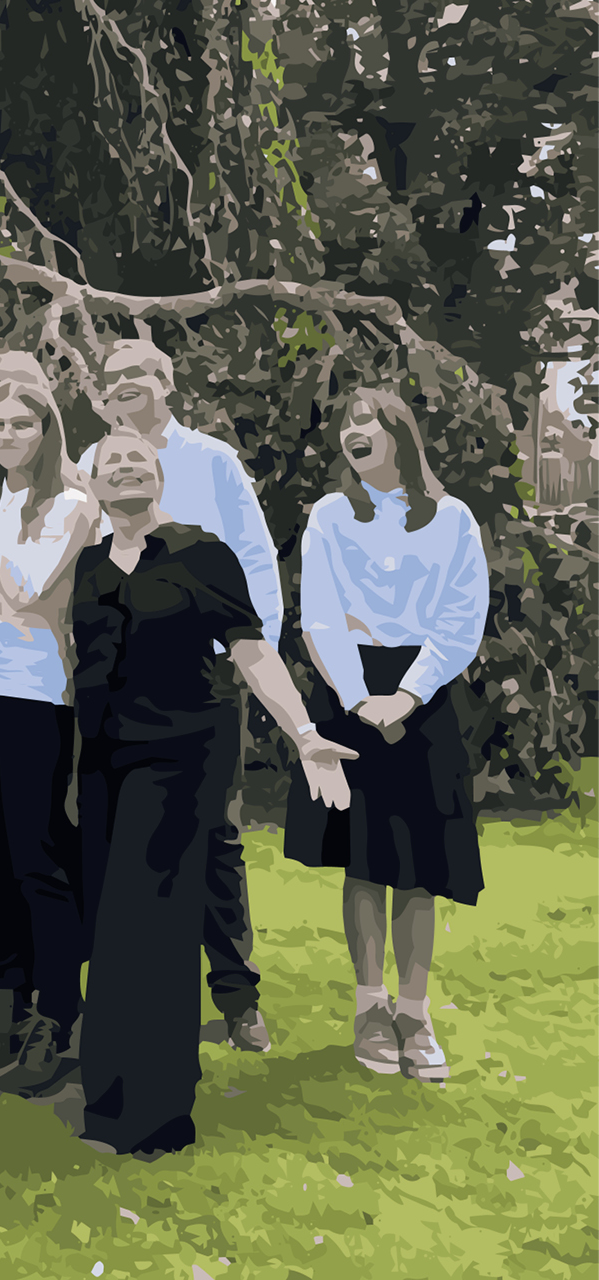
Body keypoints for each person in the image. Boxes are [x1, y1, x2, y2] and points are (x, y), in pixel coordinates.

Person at [70, 429, 354, 1157]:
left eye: (138, 460)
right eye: (110, 463)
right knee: (113, 927)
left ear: (159, 478)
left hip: (181, 756)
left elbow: (250, 649)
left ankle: (157, 1115)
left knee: (157, 924)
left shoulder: (201, 553)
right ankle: (108, 1098)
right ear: (92, 486)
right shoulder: (89, 565)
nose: (125, 468)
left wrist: (303, 733)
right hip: (104, 763)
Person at [77, 337, 285, 1052]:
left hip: (203, 683)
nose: (124, 385)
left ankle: (236, 995)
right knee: (115, 845)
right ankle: (125, 1000)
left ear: (167, 383)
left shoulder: (212, 460)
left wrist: (247, 661)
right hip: (116, 691)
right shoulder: (93, 461)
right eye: (113, 378)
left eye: (139, 374)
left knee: (216, 842)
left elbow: (254, 557)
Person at [285, 388, 488, 1083]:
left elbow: (462, 616)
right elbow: (320, 614)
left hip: (425, 694)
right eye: (346, 424)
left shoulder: (453, 518)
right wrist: (356, 696)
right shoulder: (330, 515)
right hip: (350, 688)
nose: (354, 432)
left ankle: (414, 1012)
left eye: (367, 421)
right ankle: (370, 1008)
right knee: (365, 859)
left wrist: (408, 694)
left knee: (422, 864)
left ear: (400, 434)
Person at [0, 352, 99, 1093]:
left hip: (36, 695)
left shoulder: (71, 505)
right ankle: (12, 997)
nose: (7, 436)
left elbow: (27, 589)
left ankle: (59, 1015)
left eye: (21, 424)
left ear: (46, 429)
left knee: (38, 858)